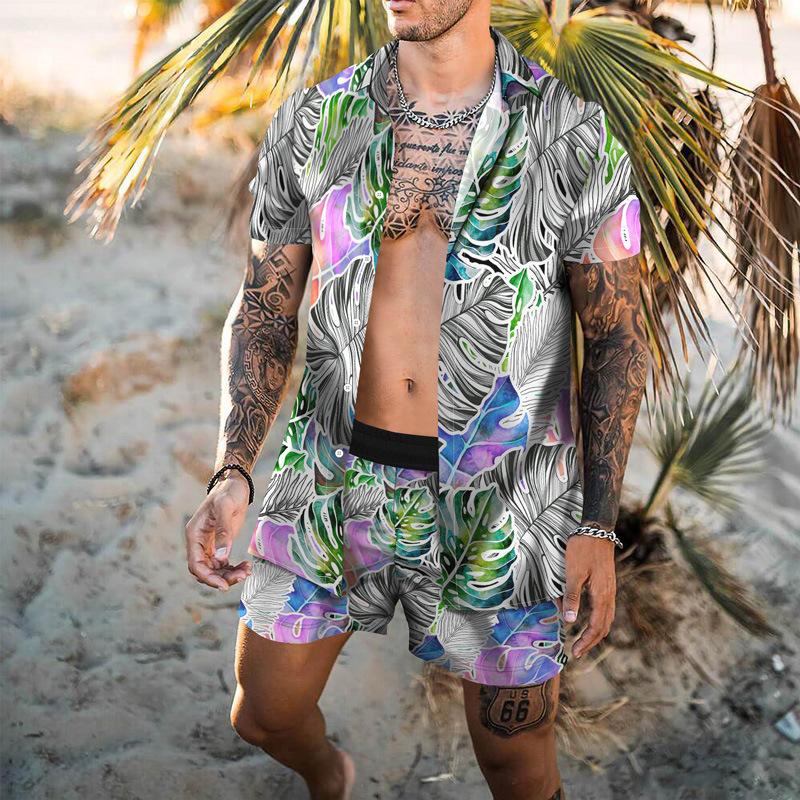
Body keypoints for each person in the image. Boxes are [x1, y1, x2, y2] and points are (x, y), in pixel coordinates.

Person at [184, 1, 648, 797]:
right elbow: (264, 303)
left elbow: (616, 337)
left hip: (505, 501)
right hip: (331, 474)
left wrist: (597, 523)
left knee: (516, 759)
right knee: (263, 714)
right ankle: (329, 775)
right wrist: (232, 468)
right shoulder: (316, 118)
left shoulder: (572, 133)